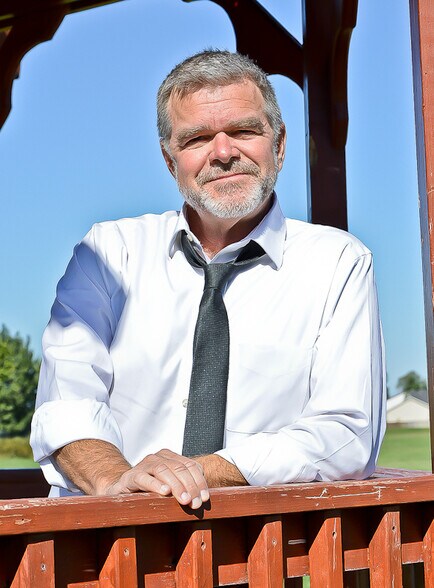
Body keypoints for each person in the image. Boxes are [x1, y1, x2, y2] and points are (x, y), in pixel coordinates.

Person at [30, 50, 386, 509]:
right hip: (109, 543)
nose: (223, 153)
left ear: (279, 144)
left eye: (244, 131)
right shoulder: (108, 253)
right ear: (169, 160)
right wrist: (117, 481)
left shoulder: (338, 263)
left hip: (258, 544)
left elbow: (347, 432)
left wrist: (200, 472)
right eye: (197, 139)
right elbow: (67, 402)